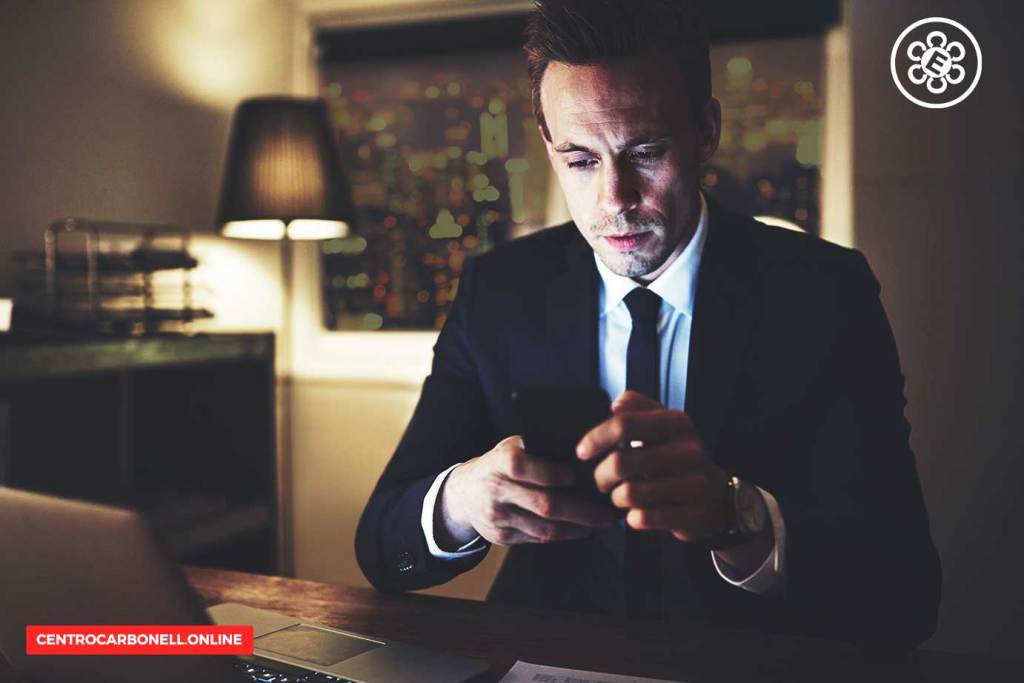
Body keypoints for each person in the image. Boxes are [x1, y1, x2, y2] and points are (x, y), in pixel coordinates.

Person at [356, 0, 940, 648]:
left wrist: (738, 516)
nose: (615, 201)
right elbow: (382, 546)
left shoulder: (824, 294)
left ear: (706, 131)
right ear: (548, 147)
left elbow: (905, 595)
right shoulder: (499, 291)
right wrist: (461, 500)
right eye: (581, 161)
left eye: (646, 151)